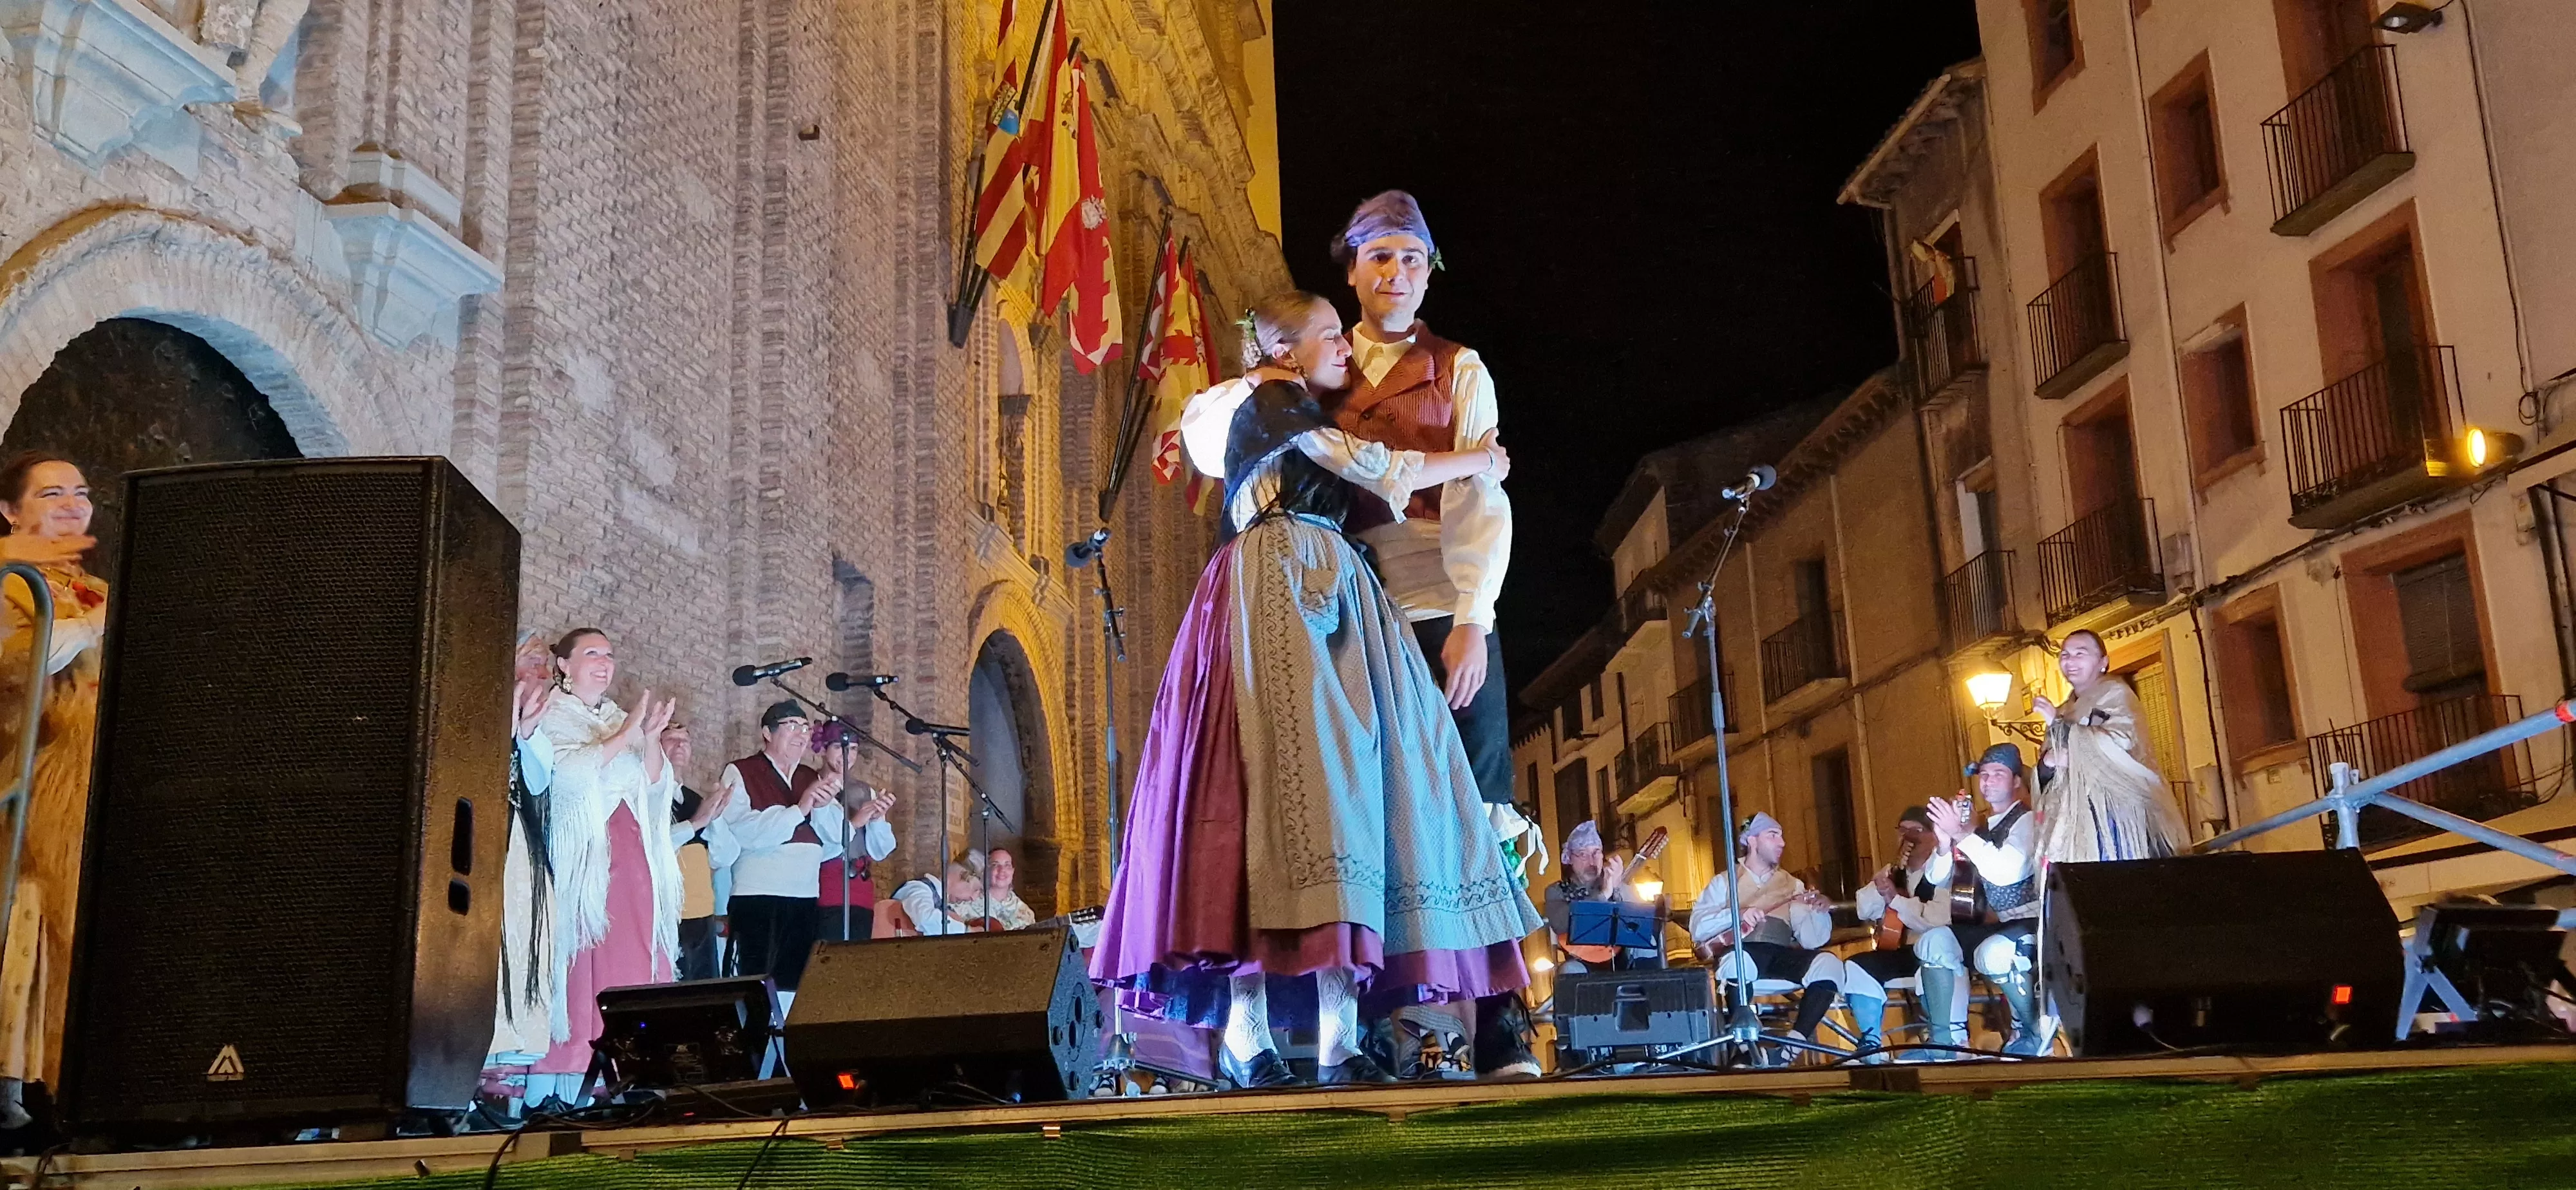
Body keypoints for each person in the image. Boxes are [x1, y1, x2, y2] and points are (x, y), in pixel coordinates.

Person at [1092, 290, 1539, 1089]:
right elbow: (1373, 466)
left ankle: (1338, 1039)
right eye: (1329, 336)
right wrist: (1481, 458)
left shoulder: (1281, 404)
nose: (1343, 347)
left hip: (1332, 592)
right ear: (1282, 349)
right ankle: (1249, 1035)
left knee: (1347, 809)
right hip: (1276, 588)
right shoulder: (1269, 402)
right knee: (1275, 796)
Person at [1327, 191, 1545, 1079]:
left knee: (1479, 811)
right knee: (1367, 816)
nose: (1396, 274)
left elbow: (1480, 498)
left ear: (1428, 272)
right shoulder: (1322, 367)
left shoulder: (1460, 367)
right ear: (1352, 271)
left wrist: (1471, 621)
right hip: (1348, 606)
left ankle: (1502, 1020)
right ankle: (1380, 1025)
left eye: (1412, 259)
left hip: (1441, 598)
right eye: (1380, 257)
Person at [526, 628, 679, 1106]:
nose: (604, 662)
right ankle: (565, 1081)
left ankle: (631, 1073)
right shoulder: (550, 711)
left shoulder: (617, 718)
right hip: (584, 859)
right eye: (592, 653)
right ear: (564, 666)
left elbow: (655, 785)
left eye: (609, 655)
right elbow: (568, 777)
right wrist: (629, 730)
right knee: (581, 960)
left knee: (631, 960)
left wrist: (650, 739)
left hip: (632, 856)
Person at [0, 453, 106, 1126]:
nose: (72, 504)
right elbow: (18, 664)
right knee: (60, 926)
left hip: (108, 780)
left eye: (81, 493)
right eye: (52, 492)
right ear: (12, 511)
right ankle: (64, 1095)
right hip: (42, 782)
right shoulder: (11, 581)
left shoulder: (95, 586)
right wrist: (91, 627)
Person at [717, 701, 853, 1013]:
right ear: (767, 732)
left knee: (794, 983)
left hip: (804, 896)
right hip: (758, 895)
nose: (801, 735)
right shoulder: (741, 771)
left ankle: (783, 1055)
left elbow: (836, 844)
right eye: (792, 725)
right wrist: (798, 810)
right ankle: (755, 1052)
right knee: (755, 982)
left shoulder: (809, 776)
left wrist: (821, 811)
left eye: (805, 728)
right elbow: (741, 832)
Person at [1922, 743, 2047, 1055]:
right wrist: (1943, 842)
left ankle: (2032, 1032)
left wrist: (1963, 835)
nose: (1988, 781)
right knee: (1933, 942)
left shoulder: (2028, 820)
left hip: (2032, 921)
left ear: (2017, 781)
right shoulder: (1978, 824)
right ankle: (1946, 1041)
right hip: (1998, 923)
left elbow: (2008, 870)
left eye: (1998, 774)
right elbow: (1937, 879)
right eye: (1984, 775)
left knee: (1993, 954)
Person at [2032, 629, 2188, 864]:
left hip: (2115, 815)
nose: (2070, 661)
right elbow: (2049, 769)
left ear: (2102, 662)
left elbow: (2119, 744)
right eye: (2065, 655)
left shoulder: (2117, 694)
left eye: (2080, 653)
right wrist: (2048, 762)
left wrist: (2058, 725)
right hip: (2073, 822)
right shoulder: (2065, 708)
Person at [1687, 813, 1844, 1046]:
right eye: (1773, 836)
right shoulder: (1724, 881)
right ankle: (1745, 1047)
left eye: (1781, 836)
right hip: (1744, 952)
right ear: (1752, 840)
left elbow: (1812, 941)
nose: (1782, 843)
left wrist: (1818, 913)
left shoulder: (1793, 884)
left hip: (1781, 954)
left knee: (1829, 964)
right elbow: (1697, 928)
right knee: (1737, 961)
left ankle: (1794, 1045)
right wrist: (1737, 914)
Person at [489, 632, 567, 1086]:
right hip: (487, 835)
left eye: (544, 666)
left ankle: (517, 1043)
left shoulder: (546, 716)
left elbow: (539, 781)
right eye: (532, 662)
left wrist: (530, 730)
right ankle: (488, 1040)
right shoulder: (483, 701)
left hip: (525, 837)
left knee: (529, 928)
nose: (542, 672)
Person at [1842, 806, 1947, 1061]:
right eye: (1902, 831)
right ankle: (1871, 1044)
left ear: (1934, 837)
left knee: (1932, 957)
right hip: (1901, 952)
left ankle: (1941, 1043)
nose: (1907, 837)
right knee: (1857, 966)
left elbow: (1937, 920)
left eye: (1916, 831)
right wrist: (1880, 887)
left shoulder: (1944, 870)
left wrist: (1895, 898)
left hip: (1938, 953)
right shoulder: (1895, 872)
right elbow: (1863, 909)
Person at [663, 722, 737, 982]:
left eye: (685, 740)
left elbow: (725, 856)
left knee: (701, 994)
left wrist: (714, 817)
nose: (680, 745)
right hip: (667, 913)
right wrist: (696, 823)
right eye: (671, 739)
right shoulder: (648, 796)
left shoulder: (694, 799)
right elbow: (651, 846)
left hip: (701, 912)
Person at [812, 721, 896, 943]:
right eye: (839, 747)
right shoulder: (811, 785)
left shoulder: (864, 790)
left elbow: (880, 852)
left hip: (861, 890)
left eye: (853, 749)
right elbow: (821, 842)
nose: (847, 755)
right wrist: (857, 821)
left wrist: (877, 819)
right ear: (823, 749)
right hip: (826, 888)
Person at [1542, 821, 1648, 973]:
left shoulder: (1615, 881)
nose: (1591, 861)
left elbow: (1641, 920)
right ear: (1570, 859)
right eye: (1583, 854)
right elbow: (1561, 924)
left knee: (1647, 947)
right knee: (1569, 971)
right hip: (1581, 963)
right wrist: (1603, 895)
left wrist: (1619, 887)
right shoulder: (1556, 891)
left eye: (1596, 852)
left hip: (1622, 960)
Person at [889, 860, 986, 937]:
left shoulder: (943, 904)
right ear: (961, 875)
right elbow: (925, 918)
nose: (973, 898)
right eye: (975, 889)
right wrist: (966, 931)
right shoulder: (918, 888)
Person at [960, 847, 1037, 931]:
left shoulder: (1026, 913)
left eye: (1007, 865)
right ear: (985, 870)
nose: (1002, 870)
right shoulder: (967, 901)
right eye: (995, 865)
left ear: (1013, 871)